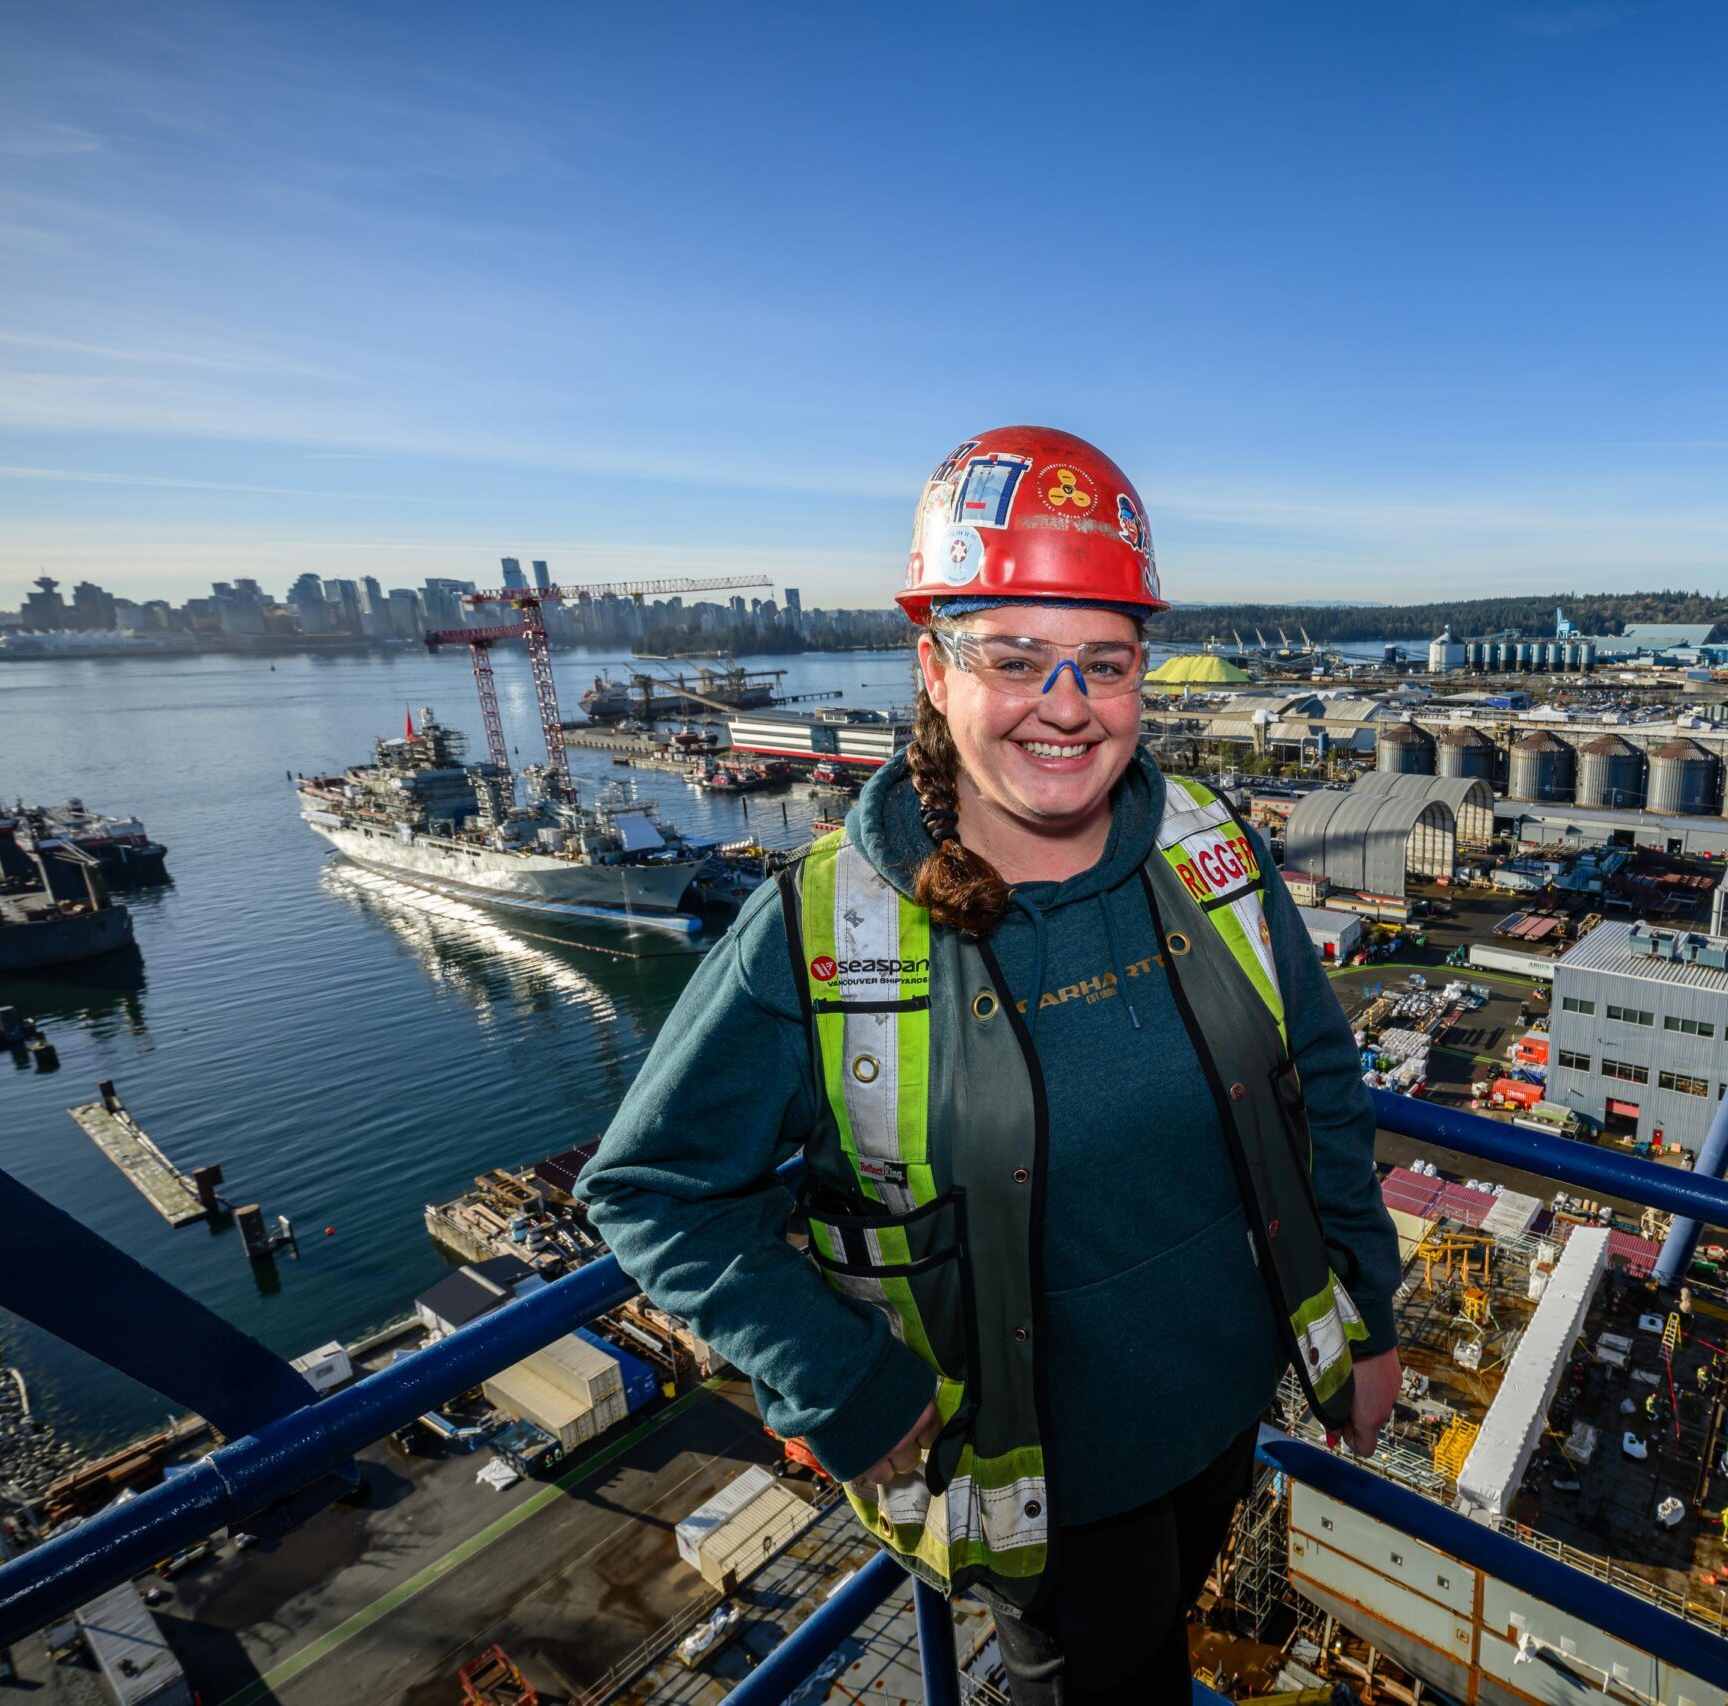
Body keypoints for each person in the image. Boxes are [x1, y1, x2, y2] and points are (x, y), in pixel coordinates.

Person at [578, 426, 1403, 1704]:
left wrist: (1370, 1313)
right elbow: (651, 1189)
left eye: (1105, 662)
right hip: (1038, 1477)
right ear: (932, 667)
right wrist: (837, 1374)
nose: (1066, 703)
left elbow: (1324, 1083)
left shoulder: (1209, 849)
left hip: (1225, 1405)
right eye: (1014, 657)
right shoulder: (825, 927)